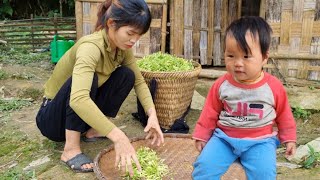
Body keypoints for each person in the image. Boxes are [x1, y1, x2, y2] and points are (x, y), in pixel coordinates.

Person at [36, 0, 164, 175]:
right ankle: (70, 149)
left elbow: (139, 82)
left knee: (127, 75)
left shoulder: (122, 48)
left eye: (139, 35)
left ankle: (93, 131)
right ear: (111, 23)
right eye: (130, 33)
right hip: (53, 119)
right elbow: (79, 99)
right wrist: (118, 137)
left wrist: (152, 116)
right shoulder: (91, 47)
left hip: (79, 117)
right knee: (88, 81)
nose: (134, 40)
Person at [192, 16, 297, 180]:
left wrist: (289, 139)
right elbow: (209, 112)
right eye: (231, 56)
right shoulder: (221, 85)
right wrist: (202, 135)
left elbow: (284, 115)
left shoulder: (273, 87)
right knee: (204, 168)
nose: (238, 63)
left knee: (265, 175)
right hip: (224, 139)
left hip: (260, 142)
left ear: (264, 57)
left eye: (246, 57)